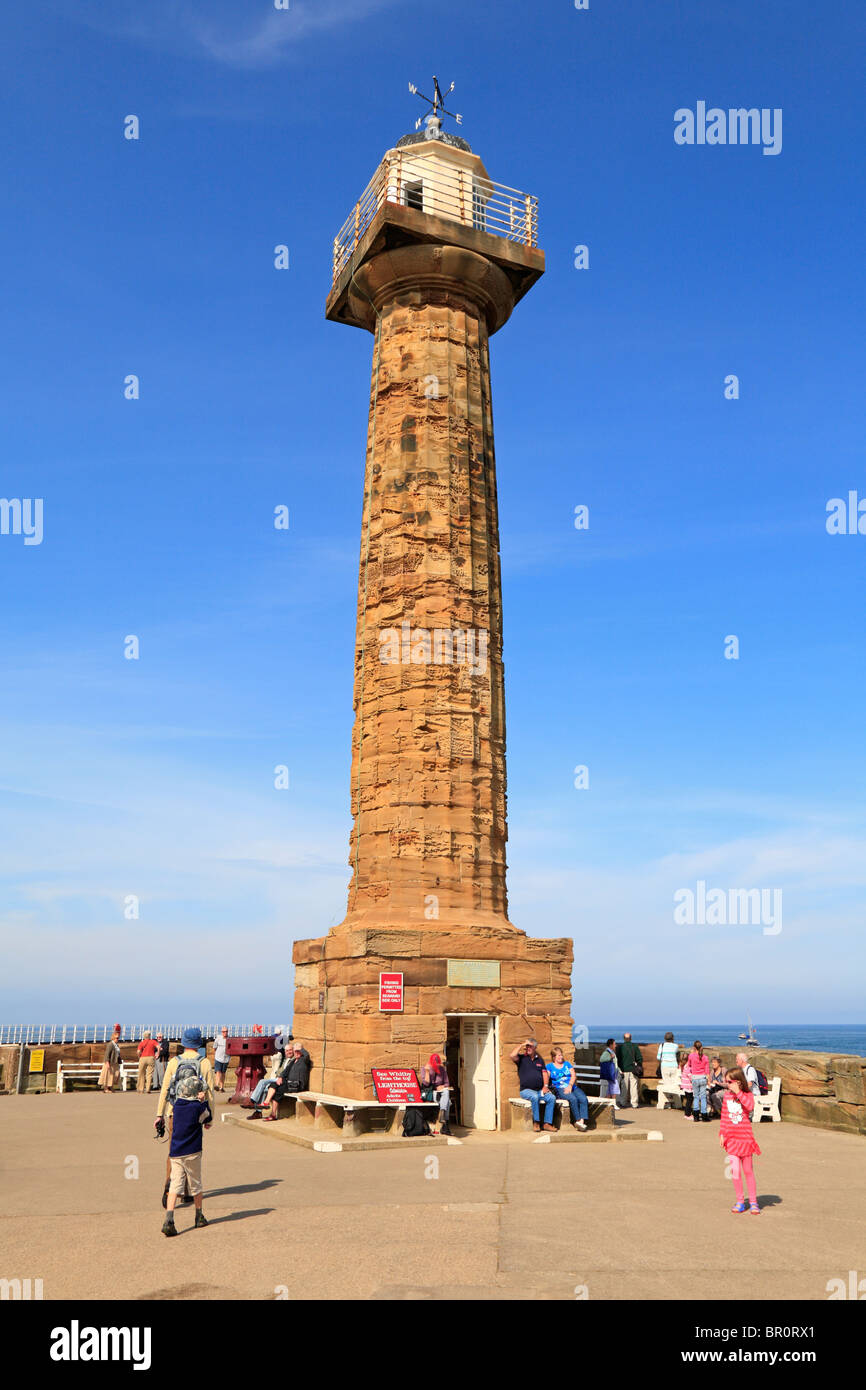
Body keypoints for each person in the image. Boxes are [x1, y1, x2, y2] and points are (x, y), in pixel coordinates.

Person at [155, 1028, 215, 1208]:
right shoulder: (204, 1063)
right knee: (193, 1151)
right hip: (195, 1113)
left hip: (176, 1112)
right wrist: (209, 1118)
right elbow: (210, 1093)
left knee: (174, 1150)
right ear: (198, 1044)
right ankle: (188, 1192)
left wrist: (160, 1114)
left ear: (184, 1043)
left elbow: (165, 1089)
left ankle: (170, 1188)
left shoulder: (174, 1061)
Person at [160, 1072, 212, 1237]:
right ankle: (199, 1215)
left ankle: (169, 1219)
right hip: (192, 1151)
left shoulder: (177, 1106)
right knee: (195, 1184)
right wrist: (203, 1101)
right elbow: (206, 1118)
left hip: (176, 1152)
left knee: (175, 1185)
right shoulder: (197, 1107)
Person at [719, 1066, 761, 1215]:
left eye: (729, 1082)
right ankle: (740, 1201)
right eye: (726, 1082)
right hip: (731, 1139)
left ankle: (754, 1202)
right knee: (735, 1172)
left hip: (745, 1139)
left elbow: (749, 1107)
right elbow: (724, 1116)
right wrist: (722, 1134)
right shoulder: (727, 1096)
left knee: (748, 1171)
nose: (727, 1084)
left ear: (738, 1082)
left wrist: (739, 1093)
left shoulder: (747, 1095)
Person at [510, 1038, 556, 1132]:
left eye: (530, 1046)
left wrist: (545, 1086)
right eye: (527, 1046)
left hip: (540, 1090)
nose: (528, 1048)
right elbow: (512, 1055)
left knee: (551, 1098)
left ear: (535, 1047)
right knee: (534, 1097)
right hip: (526, 1091)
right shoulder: (522, 1058)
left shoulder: (540, 1060)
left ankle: (547, 1123)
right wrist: (522, 1044)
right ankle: (536, 1122)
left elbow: (544, 1074)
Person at [260, 1042, 312, 1122]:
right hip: (290, 1083)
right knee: (274, 1084)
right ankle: (266, 1102)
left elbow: (307, 1055)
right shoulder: (293, 1061)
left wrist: (300, 1049)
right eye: (295, 1051)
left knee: (279, 1091)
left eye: (298, 1051)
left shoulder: (304, 1060)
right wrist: (280, 1077)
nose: (297, 1053)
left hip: (298, 1085)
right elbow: (285, 1071)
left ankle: (273, 1115)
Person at [547, 1046, 589, 1130]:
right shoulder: (550, 1066)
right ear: (554, 1057)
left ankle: (581, 1122)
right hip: (560, 1088)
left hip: (572, 1086)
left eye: (561, 1055)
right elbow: (546, 1078)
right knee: (573, 1099)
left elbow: (573, 1075)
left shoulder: (567, 1064)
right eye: (558, 1055)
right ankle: (577, 1119)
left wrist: (570, 1085)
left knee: (583, 1099)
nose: (561, 1057)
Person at [420, 1053, 452, 1135]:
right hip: (431, 1093)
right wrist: (427, 1072)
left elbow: (447, 1083)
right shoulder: (424, 1068)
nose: (438, 1066)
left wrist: (442, 1086)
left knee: (446, 1092)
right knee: (447, 1102)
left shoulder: (442, 1070)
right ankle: (445, 1126)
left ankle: (442, 1112)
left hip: (441, 1093)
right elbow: (426, 1084)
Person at [616, 1033, 643, 1110]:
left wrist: (620, 1068)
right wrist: (638, 1065)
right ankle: (634, 1103)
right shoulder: (635, 1046)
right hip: (633, 1070)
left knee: (624, 1087)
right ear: (631, 1038)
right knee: (634, 1086)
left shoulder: (620, 1047)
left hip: (624, 1070)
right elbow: (639, 1058)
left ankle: (623, 1102)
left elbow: (618, 1059)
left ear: (624, 1039)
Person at [687, 1040, 711, 1122]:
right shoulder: (705, 1057)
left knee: (696, 1097)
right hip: (703, 1078)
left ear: (694, 1047)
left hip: (694, 1078)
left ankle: (696, 1116)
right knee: (703, 1097)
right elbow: (707, 1070)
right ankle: (704, 1115)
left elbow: (689, 1065)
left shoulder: (691, 1056)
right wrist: (709, 1081)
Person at [98, 1025, 122, 1092]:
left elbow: (117, 1053)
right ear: (113, 1038)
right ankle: (106, 1088)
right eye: (117, 1038)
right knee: (107, 1075)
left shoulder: (116, 1045)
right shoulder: (110, 1044)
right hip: (110, 1062)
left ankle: (111, 1087)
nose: (118, 1039)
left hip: (115, 1062)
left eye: (118, 1038)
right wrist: (107, 1062)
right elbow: (107, 1054)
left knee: (116, 1074)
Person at [599, 1039, 621, 1106]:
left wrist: (619, 1070)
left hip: (613, 1072)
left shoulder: (612, 1052)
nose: (616, 1045)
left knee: (610, 1089)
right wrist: (609, 1057)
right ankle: (613, 1104)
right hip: (611, 1073)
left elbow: (615, 1063)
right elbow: (601, 1059)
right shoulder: (607, 1052)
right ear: (611, 1045)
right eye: (614, 1044)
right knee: (615, 1088)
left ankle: (608, 1103)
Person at [213, 1027, 230, 1092]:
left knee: (223, 1073)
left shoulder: (229, 1039)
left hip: (226, 1058)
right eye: (223, 1031)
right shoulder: (218, 1039)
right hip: (218, 1058)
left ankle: (221, 1087)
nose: (225, 1033)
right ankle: (216, 1085)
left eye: (226, 1031)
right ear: (221, 1032)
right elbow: (214, 1048)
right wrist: (217, 1054)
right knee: (218, 1071)